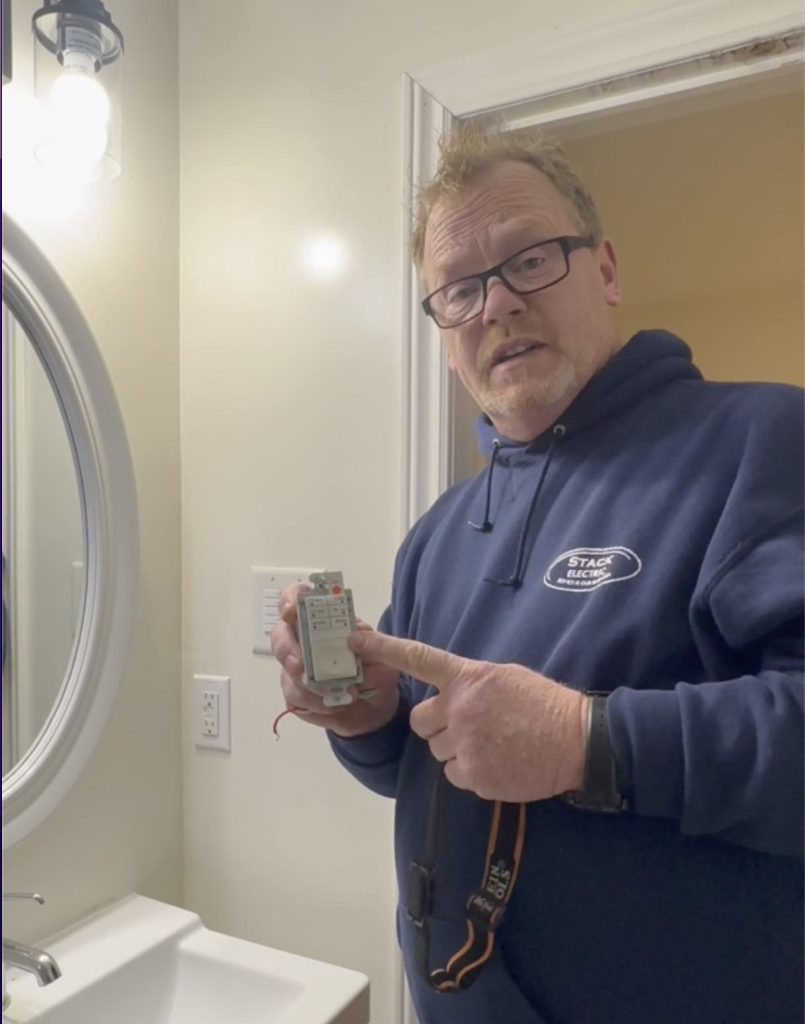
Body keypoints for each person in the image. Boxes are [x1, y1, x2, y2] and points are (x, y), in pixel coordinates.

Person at [271, 123, 804, 1024]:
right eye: (460, 290)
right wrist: (365, 720)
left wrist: (587, 741)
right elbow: (428, 762)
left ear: (603, 271)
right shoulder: (437, 532)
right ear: (443, 332)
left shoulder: (762, 443)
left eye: (528, 261)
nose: (496, 306)